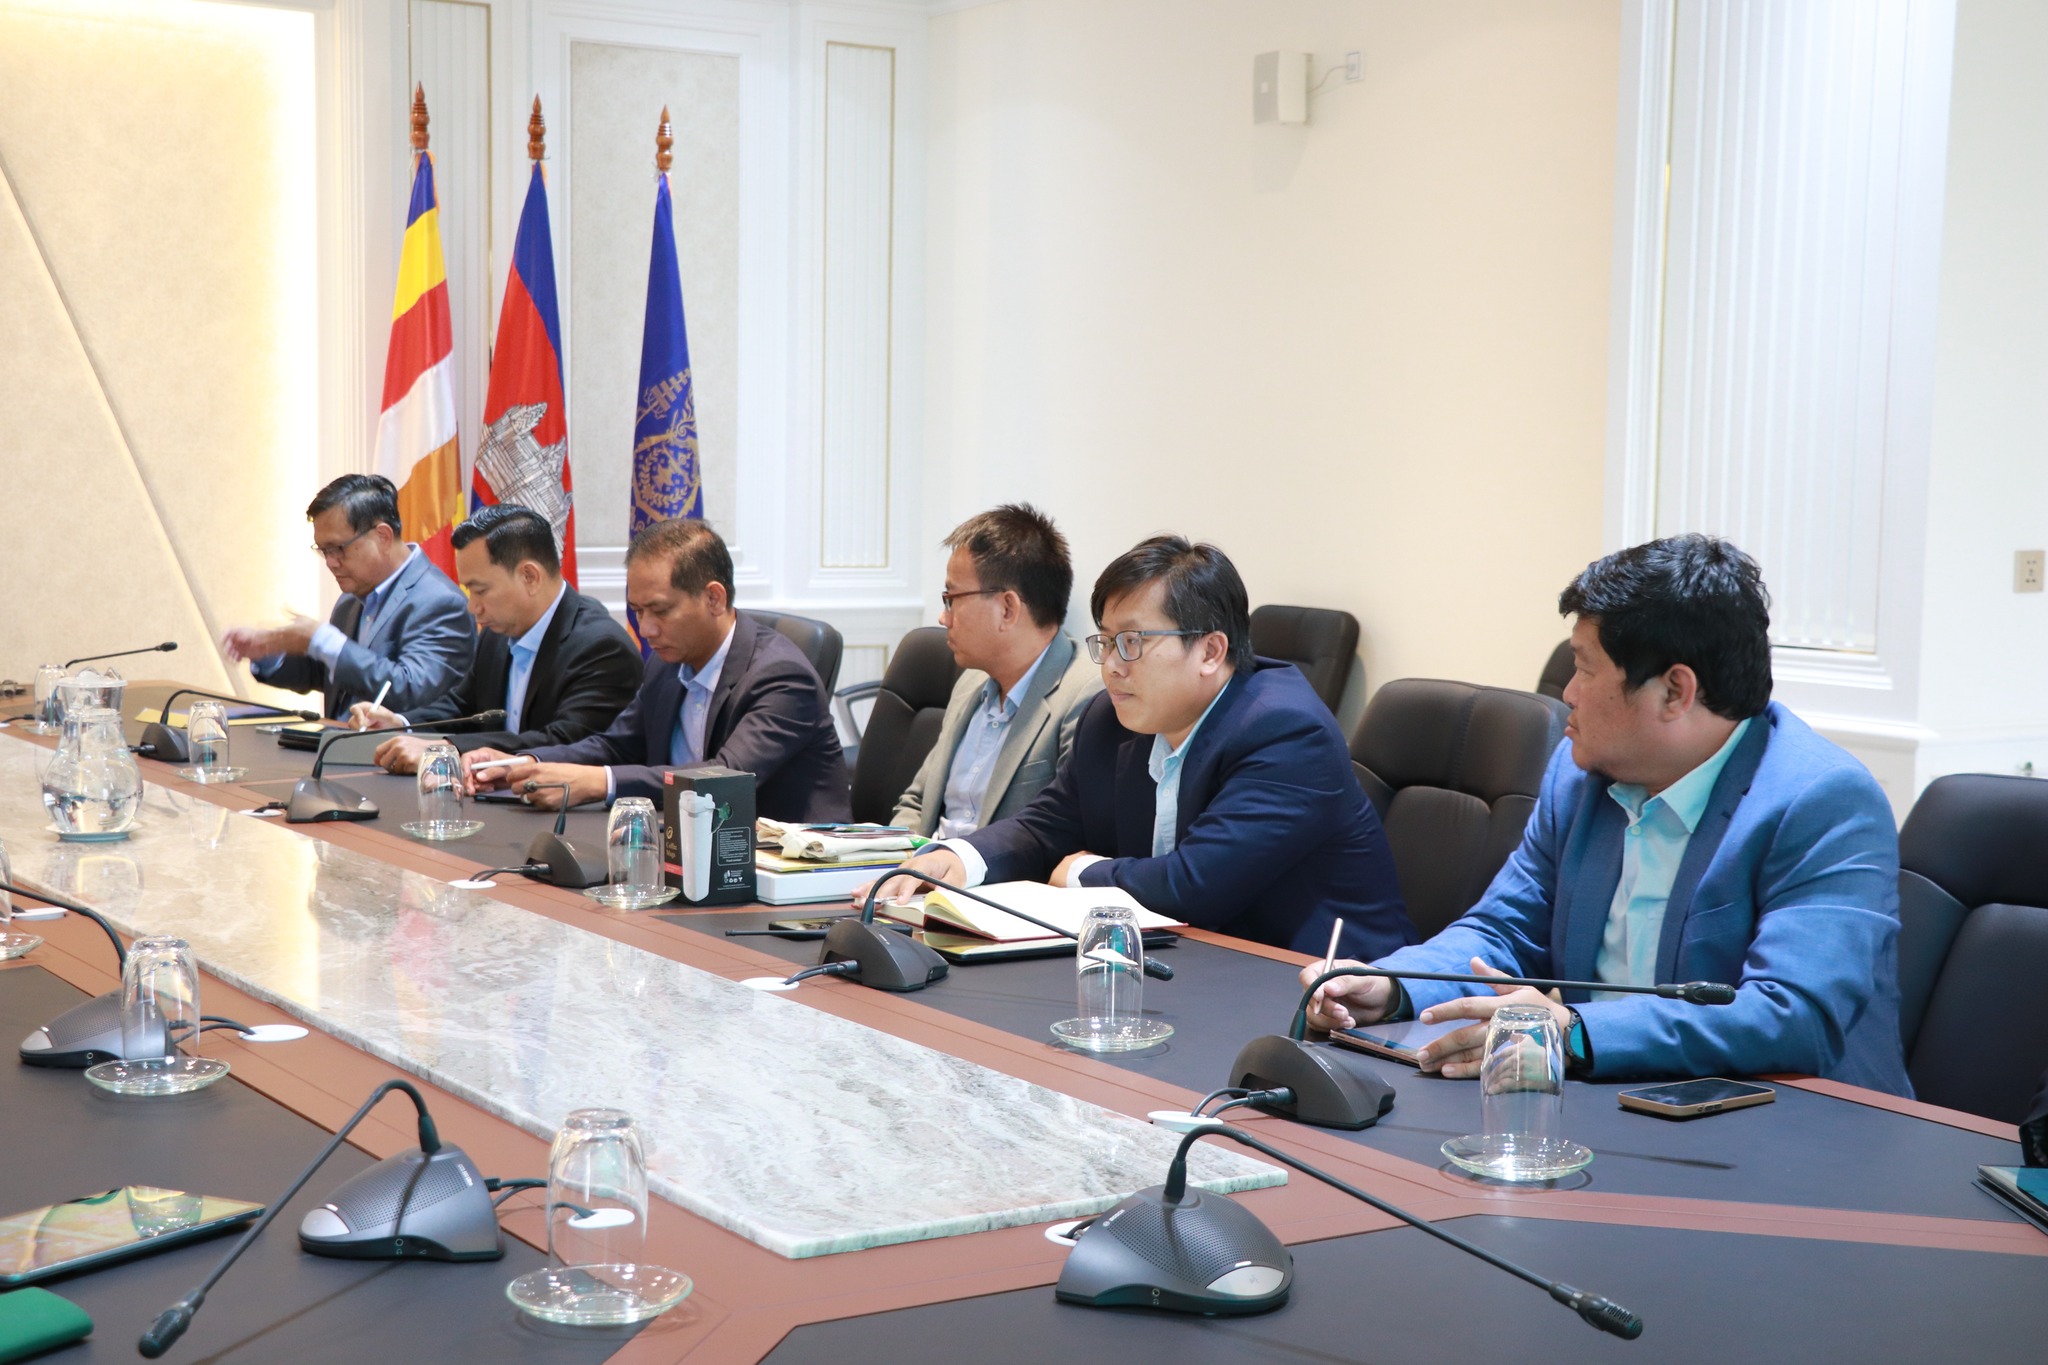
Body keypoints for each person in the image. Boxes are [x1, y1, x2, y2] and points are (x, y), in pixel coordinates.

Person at [1304, 534, 1912, 1096]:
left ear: (1675, 692)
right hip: (1607, 1100)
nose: (1567, 693)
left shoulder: (1823, 802)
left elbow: (1792, 1015)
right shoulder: (1581, 775)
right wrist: (1393, 985)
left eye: (1585, 668)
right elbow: (1505, 931)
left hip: (1794, 1123)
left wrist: (1574, 1032)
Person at [873, 535, 1413, 960]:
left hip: (1320, 990)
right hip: (1187, 969)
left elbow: (1194, 886)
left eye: (1131, 642)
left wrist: (1082, 872)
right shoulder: (1110, 719)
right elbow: (1047, 824)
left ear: (1210, 651)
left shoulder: (1286, 732)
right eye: (1106, 641)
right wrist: (959, 858)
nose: (1110, 665)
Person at [465, 518, 849, 822]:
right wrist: (527, 763)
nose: (646, 629)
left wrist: (600, 782)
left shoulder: (781, 676)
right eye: (638, 611)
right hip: (688, 847)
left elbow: (726, 775)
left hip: (788, 866)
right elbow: (617, 744)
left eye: (660, 610)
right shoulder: (669, 661)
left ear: (714, 598)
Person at [344, 504, 641, 773]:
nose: (472, 608)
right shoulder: (498, 633)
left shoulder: (602, 648)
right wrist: (402, 724)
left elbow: (563, 741)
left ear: (529, 577)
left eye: (481, 591)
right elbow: (464, 705)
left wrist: (446, 749)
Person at [892, 504, 1101, 837]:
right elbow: (917, 803)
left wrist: (952, 861)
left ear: (1007, 608)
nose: (943, 618)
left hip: (991, 869)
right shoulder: (972, 682)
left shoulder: (1086, 697)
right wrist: (893, 859)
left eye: (951, 599)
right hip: (923, 864)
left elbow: (1062, 834)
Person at [221, 474, 473, 717]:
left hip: (397, 745)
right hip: (337, 740)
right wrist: (269, 652)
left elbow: (410, 689)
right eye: (324, 550)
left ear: (383, 536)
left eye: (338, 548)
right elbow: (332, 674)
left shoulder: (441, 603)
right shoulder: (349, 601)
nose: (330, 562)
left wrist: (322, 640)